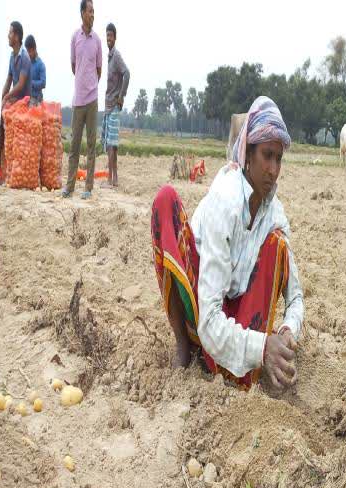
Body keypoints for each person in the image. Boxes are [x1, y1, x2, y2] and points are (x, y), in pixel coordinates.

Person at [150, 96, 304, 391]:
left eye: (278, 158)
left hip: (235, 311)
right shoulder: (226, 201)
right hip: (202, 310)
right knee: (165, 200)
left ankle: (228, 363)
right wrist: (261, 348)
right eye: (266, 156)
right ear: (248, 154)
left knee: (277, 244)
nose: (273, 169)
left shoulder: (275, 214)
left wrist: (286, 332)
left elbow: (295, 297)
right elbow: (209, 320)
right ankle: (185, 344)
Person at [64, 0, 102, 199]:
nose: (93, 15)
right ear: (82, 14)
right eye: (90, 11)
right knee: (74, 146)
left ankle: (88, 188)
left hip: (92, 99)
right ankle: (69, 187)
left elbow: (98, 70)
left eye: (94, 11)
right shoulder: (74, 38)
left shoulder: (97, 41)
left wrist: (91, 85)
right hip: (78, 100)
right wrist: (81, 81)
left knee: (91, 145)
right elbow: (73, 66)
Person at [0, 21, 32, 185]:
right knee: (4, 136)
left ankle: (16, 175)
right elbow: (9, 80)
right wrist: (2, 97)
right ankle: (3, 172)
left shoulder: (24, 57)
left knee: (18, 144)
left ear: (17, 37)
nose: (8, 36)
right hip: (14, 102)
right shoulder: (12, 57)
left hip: (24, 102)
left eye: (11, 33)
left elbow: (20, 85)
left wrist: (7, 98)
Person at [102, 22, 130, 188]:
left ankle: (111, 179)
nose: (108, 39)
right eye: (107, 36)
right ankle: (113, 179)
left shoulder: (117, 56)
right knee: (110, 143)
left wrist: (121, 96)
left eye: (110, 36)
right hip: (108, 104)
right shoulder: (109, 57)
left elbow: (127, 73)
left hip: (114, 104)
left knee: (112, 144)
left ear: (115, 37)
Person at [26, 35, 46, 106]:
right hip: (26, 99)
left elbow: (43, 83)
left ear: (35, 48)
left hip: (37, 100)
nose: (29, 54)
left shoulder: (41, 64)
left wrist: (31, 83)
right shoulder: (26, 63)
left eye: (30, 51)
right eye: (27, 51)